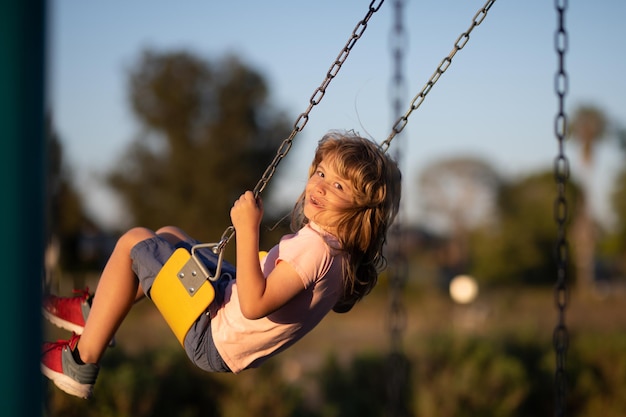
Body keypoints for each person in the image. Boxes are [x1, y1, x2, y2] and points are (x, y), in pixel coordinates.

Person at [41, 130, 402, 399]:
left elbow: (254, 303)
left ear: (360, 206)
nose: (320, 187)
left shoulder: (316, 249)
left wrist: (249, 229)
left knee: (133, 242)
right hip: (229, 318)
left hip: (214, 334)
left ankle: (80, 362)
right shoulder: (340, 253)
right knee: (168, 236)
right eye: (321, 173)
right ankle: (96, 311)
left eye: (339, 186)